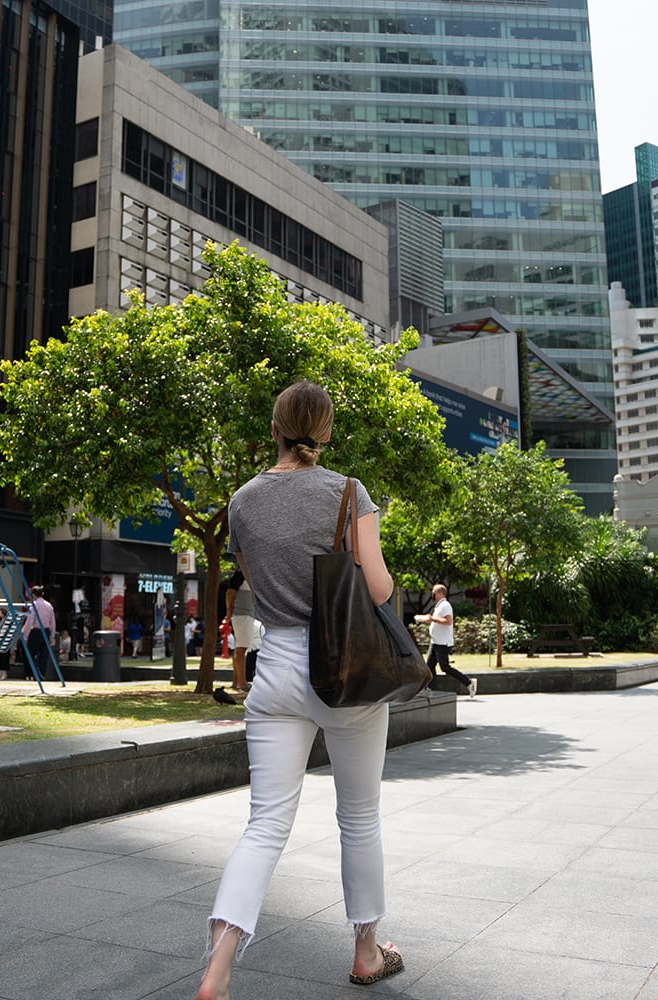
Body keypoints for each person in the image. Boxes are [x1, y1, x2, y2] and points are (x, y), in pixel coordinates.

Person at [196, 380, 403, 1000]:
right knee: (359, 817)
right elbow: (378, 589)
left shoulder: (242, 501)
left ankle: (217, 968)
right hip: (346, 669)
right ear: (327, 432)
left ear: (274, 429)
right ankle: (367, 952)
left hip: (277, 665)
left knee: (263, 824)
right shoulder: (348, 492)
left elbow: (256, 580)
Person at [415, 583, 475, 698]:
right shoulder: (439, 606)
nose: (432, 595)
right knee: (430, 666)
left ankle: (468, 683)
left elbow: (448, 621)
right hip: (435, 642)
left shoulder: (445, 605)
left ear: (440, 593)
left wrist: (432, 619)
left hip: (442, 643)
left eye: (434, 592)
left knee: (445, 667)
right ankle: (431, 689)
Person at [223, 570, 260, 693]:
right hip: (242, 614)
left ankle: (236, 682)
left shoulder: (248, 575)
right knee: (241, 649)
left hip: (245, 614)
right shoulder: (240, 575)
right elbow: (230, 593)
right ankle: (242, 683)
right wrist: (229, 610)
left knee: (240, 648)